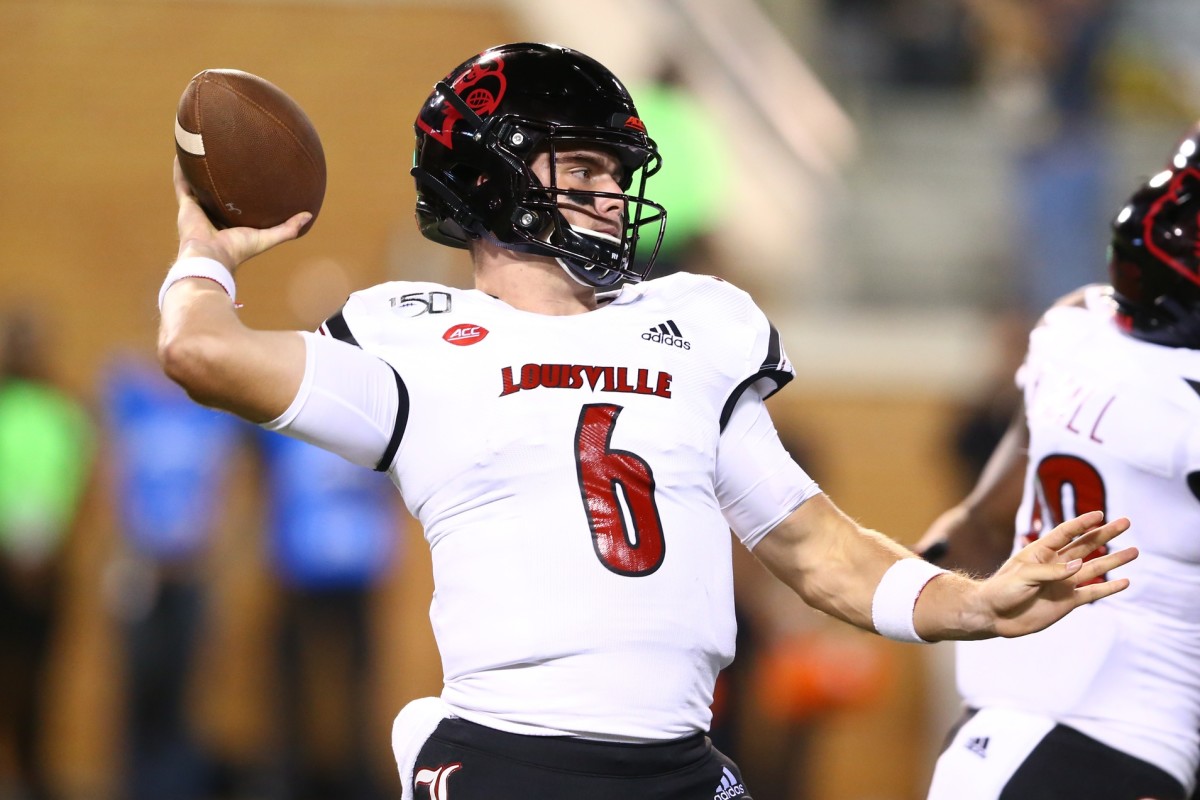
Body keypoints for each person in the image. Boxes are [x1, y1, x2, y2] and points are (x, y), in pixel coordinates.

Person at [157, 42, 1137, 800]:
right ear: (492, 175)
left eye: (617, 170)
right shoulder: (414, 336)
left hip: (681, 762)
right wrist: (208, 248)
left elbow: (812, 541)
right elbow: (201, 351)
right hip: (513, 761)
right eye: (582, 165)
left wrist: (976, 601)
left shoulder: (693, 326)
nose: (612, 191)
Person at [915, 123, 1200, 800]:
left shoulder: (1072, 325)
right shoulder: (1182, 409)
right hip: (1128, 731)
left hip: (1000, 717)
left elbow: (982, 515)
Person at [102, 353, 247, 800]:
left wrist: (211, 556)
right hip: (142, 572)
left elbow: (223, 491)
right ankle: (137, 786)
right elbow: (116, 478)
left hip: (190, 572)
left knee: (184, 690)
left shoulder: (210, 418)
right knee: (139, 686)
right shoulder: (134, 407)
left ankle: (177, 787)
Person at [0, 310, 95, 800]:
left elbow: (76, 487)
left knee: (37, 682)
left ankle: (33, 777)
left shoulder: (64, 413)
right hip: (3, 566)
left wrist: (44, 555)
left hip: (45, 569)